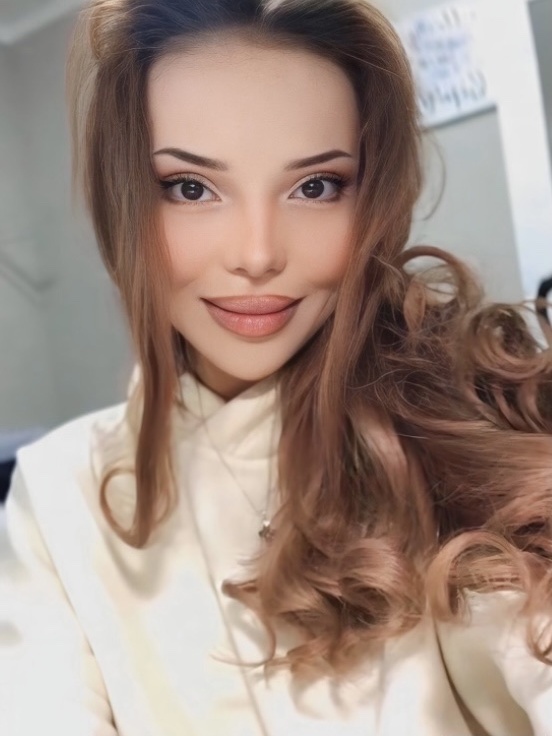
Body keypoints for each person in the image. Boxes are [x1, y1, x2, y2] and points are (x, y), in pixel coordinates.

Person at [1, 0, 552, 733]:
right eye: (191, 188)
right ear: (123, 203)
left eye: (315, 186)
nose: (257, 254)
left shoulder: (467, 419)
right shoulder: (58, 493)